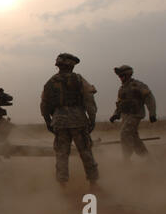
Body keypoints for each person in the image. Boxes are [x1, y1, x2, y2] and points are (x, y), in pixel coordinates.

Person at [40, 53, 99, 186]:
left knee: (61, 154)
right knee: (85, 151)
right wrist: (92, 119)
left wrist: (48, 121)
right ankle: (93, 182)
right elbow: (89, 100)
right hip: (78, 119)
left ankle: (62, 184)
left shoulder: (50, 82)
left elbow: (44, 104)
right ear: (71, 66)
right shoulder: (78, 79)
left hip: (59, 121)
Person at [109, 65, 157, 160]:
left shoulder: (137, 85)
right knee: (134, 138)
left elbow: (149, 98)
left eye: (122, 76)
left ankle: (126, 160)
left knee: (125, 133)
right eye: (119, 76)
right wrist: (115, 114)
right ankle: (147, 158)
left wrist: (152, 113)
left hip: (136, 114)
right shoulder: (121, 89)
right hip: (125, 116)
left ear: (128, 75)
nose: (120, 78)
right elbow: (119, 104)